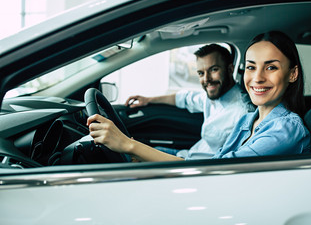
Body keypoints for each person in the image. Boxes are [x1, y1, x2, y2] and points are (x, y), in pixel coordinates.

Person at [87, 44, 254, 161]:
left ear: (230, 69)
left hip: (190, 167)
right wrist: (148, 100)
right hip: (186, 154)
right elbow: (184, 98)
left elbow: (219, 166)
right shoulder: (215, 95)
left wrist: (129, 145)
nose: (206, 79)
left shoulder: (242, 114)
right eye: (201, 73)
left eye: (214, 70)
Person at [213, 31, 310, 158]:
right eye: (251, 67)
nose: (257, 78)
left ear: (293, 74)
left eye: (271, 67)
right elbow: (217, 160)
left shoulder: (287, 128)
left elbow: (226, 167)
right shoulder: (246, 120)